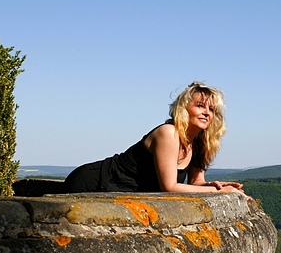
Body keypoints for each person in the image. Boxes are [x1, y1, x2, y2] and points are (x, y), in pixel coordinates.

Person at [63, 82, 244, 195]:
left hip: (120, 193)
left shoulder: (198, 143)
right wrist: (216, 192)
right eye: (200, 106)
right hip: (93, 183)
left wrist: (216, 185)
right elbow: (170, 187)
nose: (206, 112)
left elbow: (196, 182)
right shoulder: (169, 133)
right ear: (183, 109)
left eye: (211, 109)